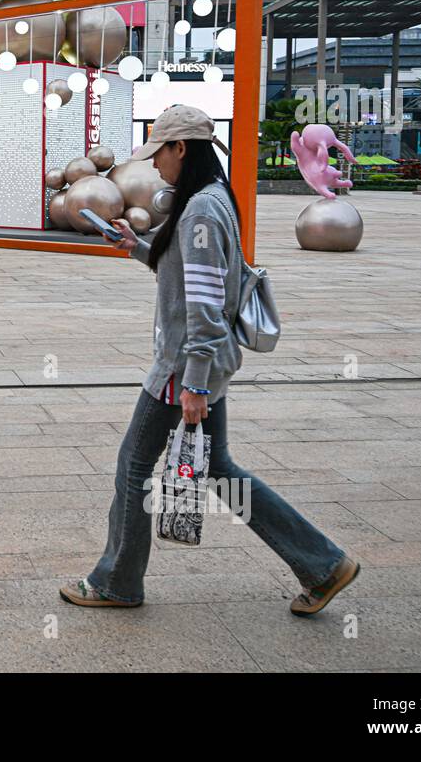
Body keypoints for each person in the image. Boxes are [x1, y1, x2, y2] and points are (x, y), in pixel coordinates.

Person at [60, 105, 359, 616]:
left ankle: (117, 582)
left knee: (133, 465)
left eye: (161, 154)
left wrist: (193, 384)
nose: (155, 166)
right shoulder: (212, 197)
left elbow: (202, 303)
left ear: (182, 149)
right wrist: (138, 246)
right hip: (204, 363)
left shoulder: (198, 210)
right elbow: (192, 270)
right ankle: (322, 564)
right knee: (218, 468)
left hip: (184, 368)